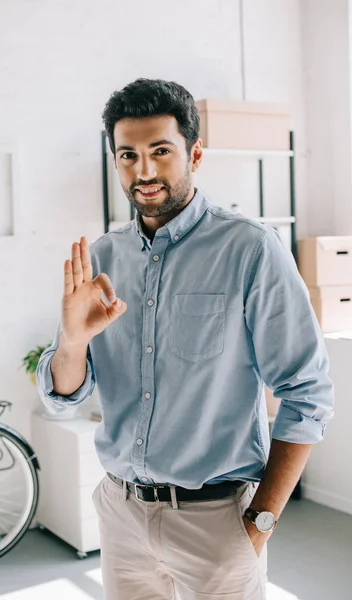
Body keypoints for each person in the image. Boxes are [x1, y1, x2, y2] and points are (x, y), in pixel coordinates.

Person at [36, 78, 334, 600]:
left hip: (216, 519)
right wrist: (71, 340)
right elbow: (65, 394)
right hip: (120, 512)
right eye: (127, 154)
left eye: (160, 151)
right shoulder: (103, 258)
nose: (144, 171)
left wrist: (258, 523)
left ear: (195, 153)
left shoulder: (250, 249)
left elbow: (307, 394)